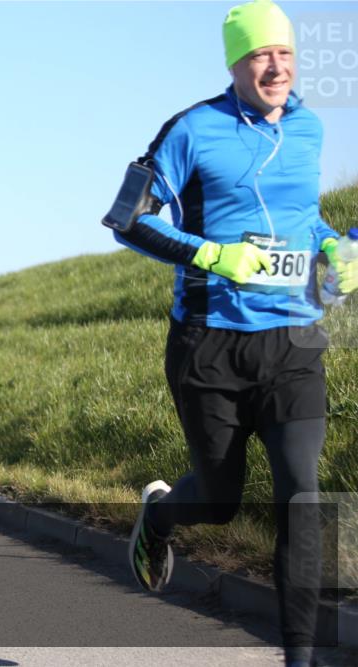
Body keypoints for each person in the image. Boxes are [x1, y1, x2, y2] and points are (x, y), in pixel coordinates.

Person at [113, 2, 357, 664]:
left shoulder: (307, 128)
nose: (276, 67)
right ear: (235, 63)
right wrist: (212, 255)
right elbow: (127, 218)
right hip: (209, 343)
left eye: (284, 53)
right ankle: (160, 515)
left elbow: (304, 218)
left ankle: (299, 657)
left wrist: (336, 248)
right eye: (259, 55)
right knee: (219, 501)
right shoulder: (192, 129)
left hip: (294, 342)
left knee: (302, 497)